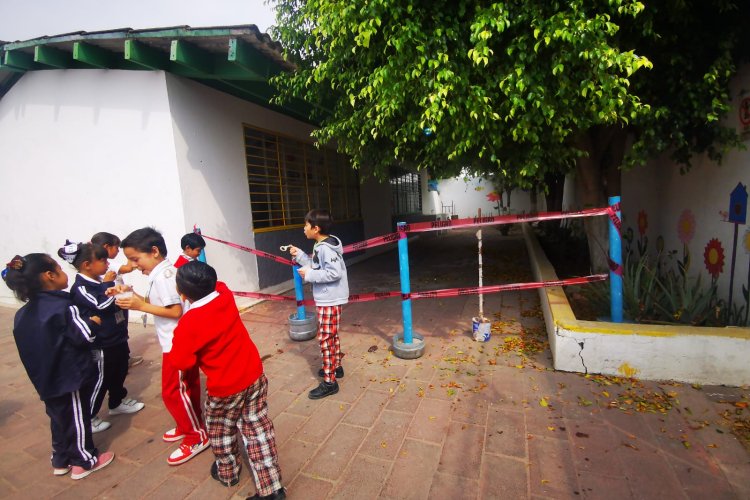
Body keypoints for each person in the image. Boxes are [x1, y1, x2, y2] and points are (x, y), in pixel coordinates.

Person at [170, 261, 285, 499]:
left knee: (220, 430)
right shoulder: (225, 295)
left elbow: (182, 362)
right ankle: (272, 488)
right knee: (258, 429)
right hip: (253, 374)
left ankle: (228, 471)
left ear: (182, 294)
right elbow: (216, 281)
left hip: (225, 388)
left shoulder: (188, 323)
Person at [2, 253, 115, 480]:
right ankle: (84, 460)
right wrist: (92, 323)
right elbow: (83, 337)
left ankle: (61, 459)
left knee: (59, 417)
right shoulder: (63, 305)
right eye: (60, 270)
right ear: (49, 275)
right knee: (76, 416)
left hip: (44, 378)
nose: (65, 274)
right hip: (69, 376)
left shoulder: (21, 315)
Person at [114, 227, 208, 465]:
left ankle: (195, 435)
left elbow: (175, 311)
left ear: (154, 251)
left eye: (136, 259)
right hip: (177, 342)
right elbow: (160, 304)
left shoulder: (166, 276)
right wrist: (133, 295)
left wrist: (139, 306)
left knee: (173, 392)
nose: (135, 265)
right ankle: (190, 422)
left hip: (177, 345)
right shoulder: (160, 274)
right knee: (187, 388)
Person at [59, 241, 145, 435]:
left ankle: (117, 402)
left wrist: (117, 290)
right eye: (102, 259)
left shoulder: (99, 281)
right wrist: (110, 286)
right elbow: (101, 305)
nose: (107, 263)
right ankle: (88, 417)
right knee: (100, 379)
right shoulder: (81, 287)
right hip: (101, 343)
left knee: (120, 370)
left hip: (117, 337)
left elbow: (112, 299)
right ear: (87, 265)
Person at [286, 209, 349, 399]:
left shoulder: (325, 248)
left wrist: (310, 275)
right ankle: (335, 367)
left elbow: (333, 273)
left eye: (306, 225)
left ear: (316, 228)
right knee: (332, 335)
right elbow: (316, 264)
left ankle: (330, 382)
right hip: (328, 298)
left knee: (325, 339)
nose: (303, 228)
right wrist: (300, 256)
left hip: (329, 299)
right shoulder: (320, 245)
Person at [91, 231, 142, 368]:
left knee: (119, 330)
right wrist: (130, 254)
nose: (118, 251)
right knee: (118, 330)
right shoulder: (109, 265)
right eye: (117, 248)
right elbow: (129, 268)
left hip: (115, 301)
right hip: (115, 302)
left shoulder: (101, 264)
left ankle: (123, 358)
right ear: (107, 247)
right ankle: (122, 359)